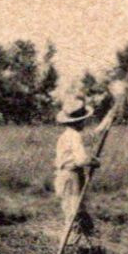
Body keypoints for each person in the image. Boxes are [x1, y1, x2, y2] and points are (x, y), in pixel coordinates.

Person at [53, 99, 101, 243]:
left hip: (65, 176)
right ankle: (69, 247)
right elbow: (81, 160)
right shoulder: (74, 136)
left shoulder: (66, 135)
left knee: (75, 212)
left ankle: (82, 244)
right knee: (74, 214)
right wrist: (94, 161)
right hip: (71, 177)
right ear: (80, 121)